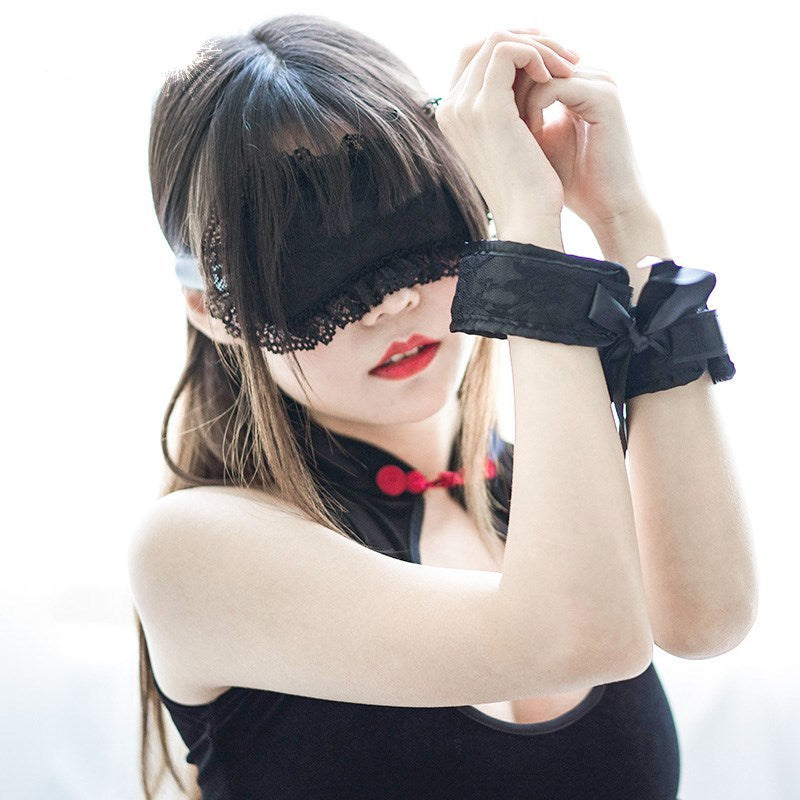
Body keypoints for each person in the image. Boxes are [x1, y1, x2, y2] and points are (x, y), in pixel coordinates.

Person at [127, 12, 709, 800]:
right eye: (311, 261)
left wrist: (624, 218)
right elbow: (579, 637)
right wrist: (528, 233)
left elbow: (709, 618)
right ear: (210, 310)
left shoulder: (555, 502)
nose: (392, 301)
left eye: (411, 224)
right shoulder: (192, 551)